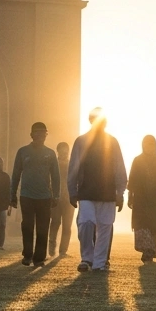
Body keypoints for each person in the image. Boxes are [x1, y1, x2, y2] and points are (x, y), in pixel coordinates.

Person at [68, 108, 128, 272]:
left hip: (108, 193)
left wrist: (120, 193)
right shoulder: (81, 141)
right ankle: (87, 258)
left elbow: (119, 168)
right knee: (86, 223)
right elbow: (73, 166)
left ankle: (100, 263)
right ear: (90, 120)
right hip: (86, 192)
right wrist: (72, 191)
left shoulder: (112, 142)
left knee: (105, 227)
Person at [11, 122, 61, 268]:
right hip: (26, 195)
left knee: (43, 227)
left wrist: (56, 195)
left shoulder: (50, 154)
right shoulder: (22, 152)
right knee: (27, 226)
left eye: (43, 133)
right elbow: (15, 175)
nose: (40, 136)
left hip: (45, 196)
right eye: (37, 133)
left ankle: (39, 257)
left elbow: (56, 176)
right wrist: (12, 195)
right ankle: (27, 255)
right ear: (31, 135)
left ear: (46, 135)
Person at [128, 135, 156, 263]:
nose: (148, 147)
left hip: (155, 198)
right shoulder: (137, 160)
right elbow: (132, 179)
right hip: (140, 198)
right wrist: (130, 196)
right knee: (141, 225)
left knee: (152, 225)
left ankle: (150, 251)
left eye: (151, 144)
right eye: (146, 144)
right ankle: (146, 250)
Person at [49, 141, 74, 257]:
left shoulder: (72, 166)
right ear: (58, 151)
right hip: (56, 198)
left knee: (67, 225)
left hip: (69, 199)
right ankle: (52, 245)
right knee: (55, 222)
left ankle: (63, 250)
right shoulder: (53, 165)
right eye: (62, 151)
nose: (64, 153)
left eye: (66, 151)